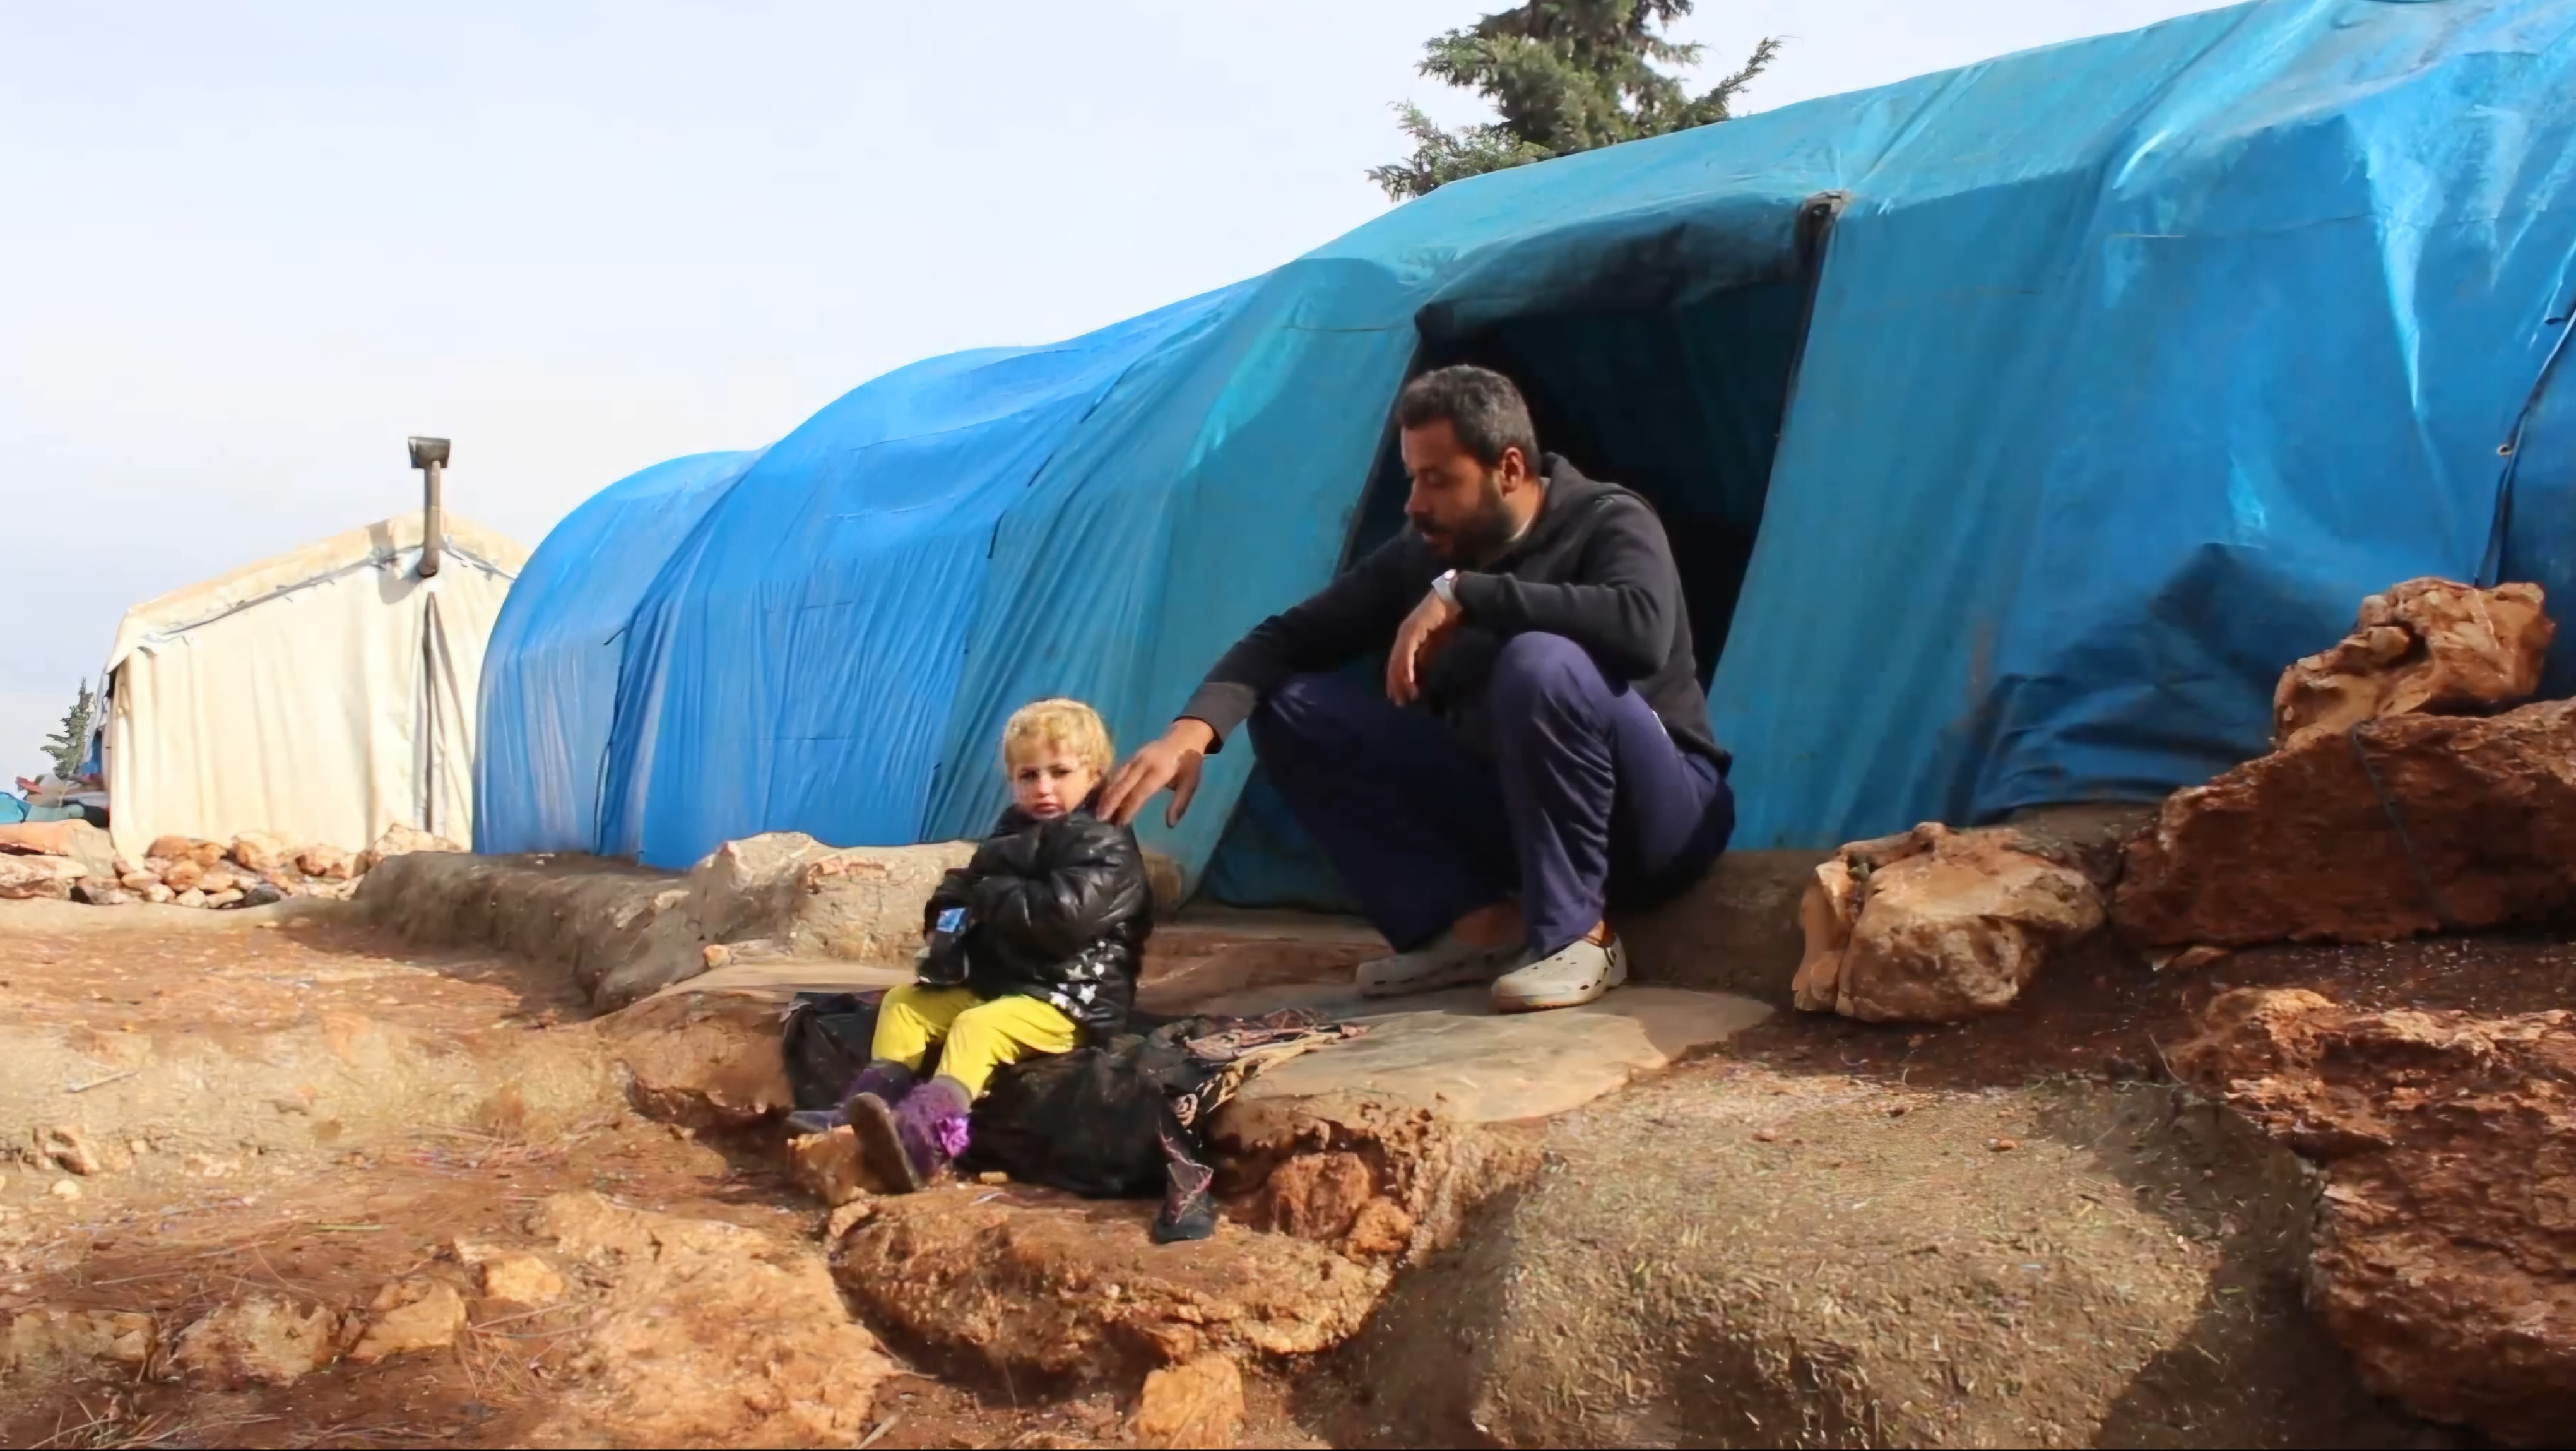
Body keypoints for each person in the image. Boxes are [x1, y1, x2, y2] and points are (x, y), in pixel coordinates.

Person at [1101, 365, 1733, 1013]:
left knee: (1540, 660)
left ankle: (1577, 936)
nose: (1414, 502)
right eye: (1411, 477)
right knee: (1292, 708)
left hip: (1657, 820)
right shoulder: (1423, 552)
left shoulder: (1606, 519)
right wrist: (1191, 733)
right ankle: (1474, 929)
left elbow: (1641, 629)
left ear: (1508, 468)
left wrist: (1466, 595)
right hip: (1519, 815)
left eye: (1438, 479)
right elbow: (1286, 638)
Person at [827, 697, 1154, 1193]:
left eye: (1060, 771)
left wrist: (985, 896)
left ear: (1095, 773)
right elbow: (969, 879)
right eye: (1028, 775)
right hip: (1008, 981)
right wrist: (948, 912)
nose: (1043, 788)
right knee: (907, 1004)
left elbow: (1062, 918)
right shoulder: (1014, 828)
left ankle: (928, 1138)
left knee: (977, 1027)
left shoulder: (1102, 841)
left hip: (1070, 997)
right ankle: (865, 1117)